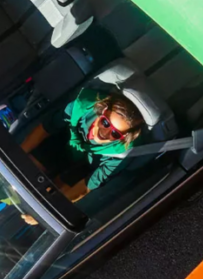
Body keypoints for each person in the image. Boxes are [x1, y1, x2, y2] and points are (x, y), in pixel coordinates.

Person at [20, 88, 145, 224]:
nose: (105, 133)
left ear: (124, 136)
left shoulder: (122, 152)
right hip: (65, 142)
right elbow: (46, 128)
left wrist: (46, 213)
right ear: (104, 111)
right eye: (105, 123)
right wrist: (17, 159)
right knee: (28, 165)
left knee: (63, 188)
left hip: (88, 164)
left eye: (115, 134)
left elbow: (86, 185)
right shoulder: (83, 107)